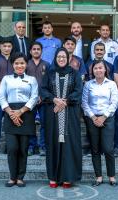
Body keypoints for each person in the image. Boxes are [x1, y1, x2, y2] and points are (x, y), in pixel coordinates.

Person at [41, 48, 82, 188]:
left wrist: (64, 102)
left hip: (70, 115)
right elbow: (43, 89)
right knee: (53, 144)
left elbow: (78, 91)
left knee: (69, 145)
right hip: (52, 114)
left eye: (63, 56)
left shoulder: (75, 74)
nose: (61, 59)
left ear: (68, 58)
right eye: (59, 56)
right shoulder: (49, 73)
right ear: (55, 58)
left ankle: (68, 177)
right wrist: (54, 99)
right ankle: (53, 177)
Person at [0, 53, 39, 187]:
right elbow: (2, 97)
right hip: (10, 113)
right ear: (12, 64)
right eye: (16, 63)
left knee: (23, 149)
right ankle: (12, 177)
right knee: (12, 148)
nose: (19, 66)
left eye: (22, 63)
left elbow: (34, 98)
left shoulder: (32, 79)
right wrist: (12, 114)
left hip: (26, 114)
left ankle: (20, 177)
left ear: (26, 64)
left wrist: (20, 112)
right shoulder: (6, 79)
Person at [82, 60, 118, 187]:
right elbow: (84, 103)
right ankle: (98, 177)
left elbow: (114, 103)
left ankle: (112, 176)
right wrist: (93, 117)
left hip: (107, 119)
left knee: (108, 148)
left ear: (105, 70)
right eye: (95, 68)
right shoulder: (88, 85)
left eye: (100, 68)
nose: (98, 70)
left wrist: (103, 117)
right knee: (95, 149)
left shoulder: (112, 84)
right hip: (92, 119)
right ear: (92, 71)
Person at [26, 42, 51, 156]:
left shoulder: (47, 64)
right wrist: (33, 97)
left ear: (41, 51)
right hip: (29, 100)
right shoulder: (26, 64)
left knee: (44, 124)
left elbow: (50, 83)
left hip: (44, 100)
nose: (36, 51)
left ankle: (43, 147)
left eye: (38, 49)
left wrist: (42, 96)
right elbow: (24, 82)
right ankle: (31, 146)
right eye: (34, 49)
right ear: (30, 51)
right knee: (30, 124)